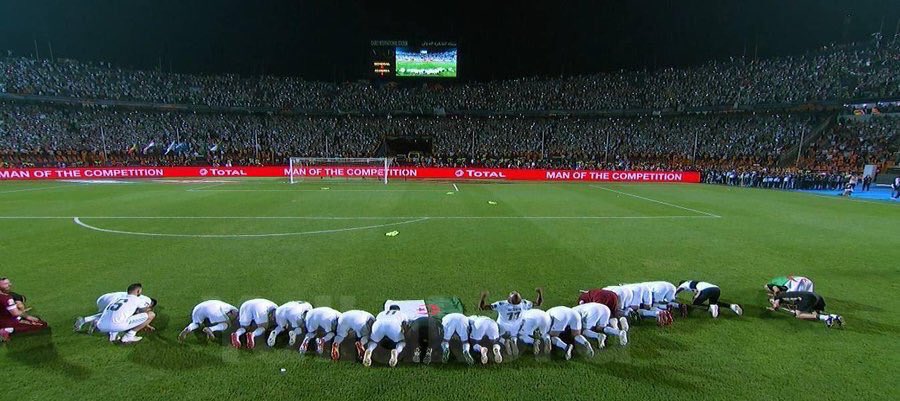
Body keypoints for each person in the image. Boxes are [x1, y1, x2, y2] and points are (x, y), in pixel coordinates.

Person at [479, 288, 543, 356]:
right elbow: (538, 303)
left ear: (509, 299)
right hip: (516, 327)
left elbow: (482, 307)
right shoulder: (523, 304)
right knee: (521, 332)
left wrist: (483, 297)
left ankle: (505, 342)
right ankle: (515, 340)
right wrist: (540, 294)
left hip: (502, 326)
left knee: (496, 338)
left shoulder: (502, 304)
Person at [75, 290, 155, 333]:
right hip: (112, 300)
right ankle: (97, 323)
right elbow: (141, 313)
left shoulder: (138, 296)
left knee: (109, 313)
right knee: (117, 315)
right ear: (151, 305)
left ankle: (85, 320)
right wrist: (146, 325)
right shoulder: (147, 301)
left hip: (103, 298)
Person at [0, 277, 49, 342]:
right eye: (6, 284)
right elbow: (15, 313)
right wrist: (28, 317)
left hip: (4, 318)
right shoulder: (7, 298)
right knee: (42, 324)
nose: (10, 285)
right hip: (5, 322)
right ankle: (8, 330)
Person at [768, 291, 844, 328]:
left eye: (771, 301)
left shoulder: (778, 297)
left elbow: (776, 304)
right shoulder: (787, 295)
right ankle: (835, 317)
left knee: (798, 315)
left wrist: (773, 307)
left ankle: (826, 318)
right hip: (816, 296)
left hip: (807, 298)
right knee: (813, 313)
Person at [676, 281, 743, 318]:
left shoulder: (684, 284)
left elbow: (677, 290)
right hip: (717, 289)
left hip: (706, 291)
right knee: (712, 302)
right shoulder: (694, 283)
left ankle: (711, 307)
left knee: (694, 302)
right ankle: (732, 306)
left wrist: (672, 297)